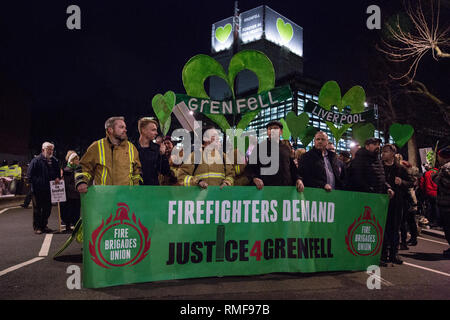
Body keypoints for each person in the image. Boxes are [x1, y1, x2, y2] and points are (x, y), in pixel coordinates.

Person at [76, 116, 142, 192]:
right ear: (110, 130)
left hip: (126, 197)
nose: (125, 130)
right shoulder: (96, 147)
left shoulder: (132, 148)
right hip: (104, 196)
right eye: (121, 127)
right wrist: (81, 182)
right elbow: (84, 166)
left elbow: (137, 171)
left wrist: (136, 190)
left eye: (125, 127)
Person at [245, 121, 303, 192]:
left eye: (275, 128)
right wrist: (254, 178)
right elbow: (249, 168)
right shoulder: (259, 148)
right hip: (266, 192)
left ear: (281, 132)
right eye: (270, 129)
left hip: (285, 191)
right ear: (267, 132)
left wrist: (298, 179)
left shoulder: (286, 148)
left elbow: (292, 168)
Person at [381, 144, 415, 264]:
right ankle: (383, 254)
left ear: (393, 154)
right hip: (382, 202)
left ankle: (394, 254)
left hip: (397, 203)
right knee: (383, 228)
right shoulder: (379, 167)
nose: (383, 154)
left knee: (395, 229)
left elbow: (412, 182)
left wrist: (402, 182)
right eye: (382, 151)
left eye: (386, 151)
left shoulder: (400, 169)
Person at [27, 142, 61, 234]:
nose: (51, 151)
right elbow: (29, 176)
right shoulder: (36, 161)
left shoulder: (54, 161)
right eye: (49, 149)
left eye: (52, 149)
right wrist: (40, 182)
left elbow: (58, 173)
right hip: (37, 190)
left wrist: (58, 177)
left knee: (47, 209)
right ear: (43, 150)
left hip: (49, 190)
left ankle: (44, 225)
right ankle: (37, 227)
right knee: (37, 209)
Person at [136, 117, 171, 186]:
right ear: (143, 130)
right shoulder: (132, 147)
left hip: (153, 189)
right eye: (153, 130)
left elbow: (165, 171)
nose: (156, 133)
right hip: (135, 189)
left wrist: (162, 155)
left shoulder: (157, 148)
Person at [432, 146, 450, 258]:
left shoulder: (446, 168)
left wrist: (435, 176)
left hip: (447, 203)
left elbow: (443, 184)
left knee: (448, 228)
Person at [60, 151, 81, 232]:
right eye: (76, 159)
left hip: (76, 195)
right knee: (68, 211)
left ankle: (76, 226)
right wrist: (76, 189)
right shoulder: (66, 171)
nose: (78, 161)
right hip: (69, 195)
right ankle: (68, 227)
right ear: (71, 160)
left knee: (76, 212)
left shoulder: (78, 170)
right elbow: (67, 184)